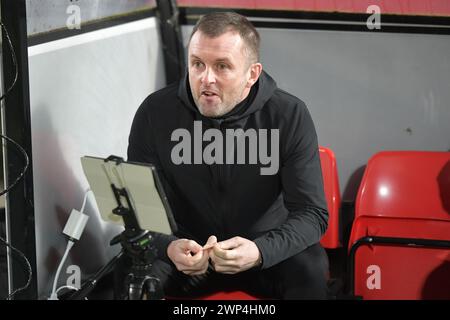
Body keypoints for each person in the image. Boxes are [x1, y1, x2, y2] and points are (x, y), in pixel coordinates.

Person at [125, 11, 329, 299]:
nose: (206, 79)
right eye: (197, 64)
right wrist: (169, 246)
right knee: (134, 274)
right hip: (188, 255)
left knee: (310, 269)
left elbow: (312, 214)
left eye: (222, 66)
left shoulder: (289, 115)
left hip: (262, 253)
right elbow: (139, 210)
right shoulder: (155, 113)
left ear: (252, 74)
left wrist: (260, 251)